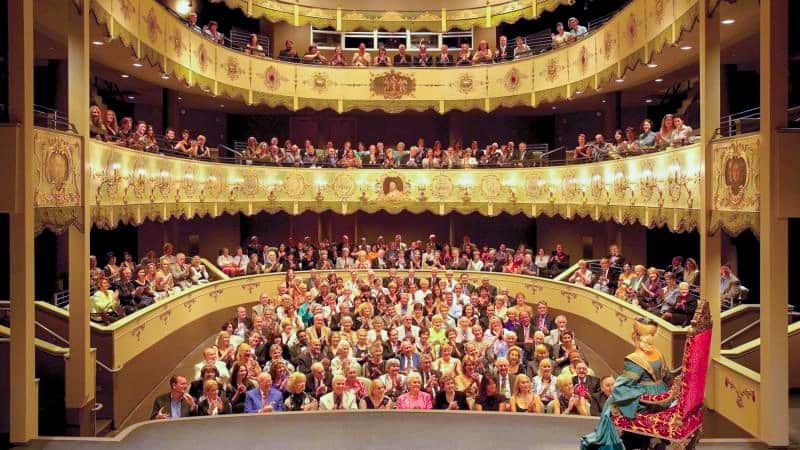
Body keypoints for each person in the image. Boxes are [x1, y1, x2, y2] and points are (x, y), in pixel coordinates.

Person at [581, 318, 671, 449]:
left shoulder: (635, 358)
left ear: (635, 335)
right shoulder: (658, 353)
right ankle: (648, 441)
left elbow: (622, 386)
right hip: (663, 399)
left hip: (649, 404)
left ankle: (610, 441)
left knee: (610, 405)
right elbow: (667, 377)